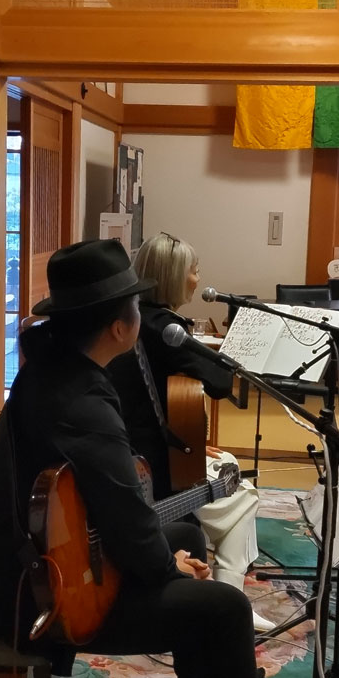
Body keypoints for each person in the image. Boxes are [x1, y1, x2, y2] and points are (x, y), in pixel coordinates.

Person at [0, 239, 339, 678]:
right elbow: (129, 525)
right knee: (221, 609)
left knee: (188, 533)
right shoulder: (84, 401)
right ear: (121, 325)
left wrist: (165, 557)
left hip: (30, 562)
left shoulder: (51, 369)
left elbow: (116, 511)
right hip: (35, 598)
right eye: (138, 308)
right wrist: (164, 568)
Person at [109, 232, 272, 632]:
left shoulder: (132, 318)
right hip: (157, 463)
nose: (198, 279)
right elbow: (218, 383)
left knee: (229, 464)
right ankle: (230, 594)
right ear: (172, 277)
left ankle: (223, 584)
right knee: (244, 494)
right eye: (194, 271)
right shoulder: (166, 329)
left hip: (145, 445)